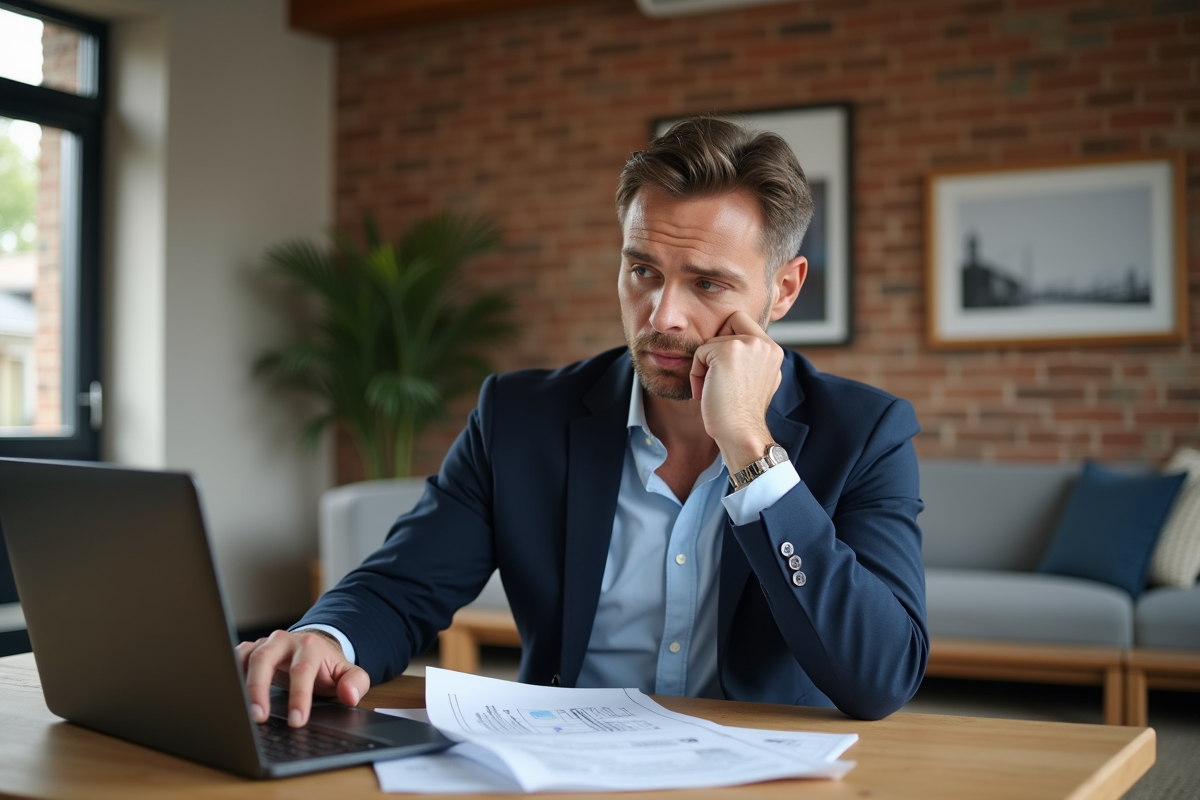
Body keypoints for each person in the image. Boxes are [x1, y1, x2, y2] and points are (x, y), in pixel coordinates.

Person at [238, 117, 927, 729]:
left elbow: (881, 676)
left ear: (784, 288)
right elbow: (403, 583)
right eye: (643, 271)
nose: (662, 317)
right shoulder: (519, 418)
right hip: (558, 768)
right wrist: (328, 640)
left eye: (707, 284)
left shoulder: (865, 432)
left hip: (758, 776)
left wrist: (751, 447)